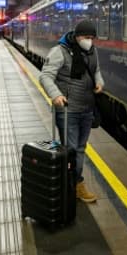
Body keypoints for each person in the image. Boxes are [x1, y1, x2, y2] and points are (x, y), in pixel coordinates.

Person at [39, 19, 104, 203]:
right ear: (76, 36)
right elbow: (45, 76)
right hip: (67, 110)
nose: (89, 41)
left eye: (92, 38)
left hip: (87, 108)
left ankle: (73, 184)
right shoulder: (60, 51)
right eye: (86, 37)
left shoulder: (92, 51)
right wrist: (55, 95)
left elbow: (96, 70)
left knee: (81, 149)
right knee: (71, 150)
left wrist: (100, 82)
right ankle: (72, 184)